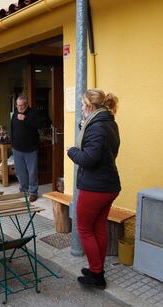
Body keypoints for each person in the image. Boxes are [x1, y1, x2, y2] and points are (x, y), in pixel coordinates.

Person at [67, 89, 121, 289]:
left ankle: (97, 274)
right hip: (108, 186)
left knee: (84, 229)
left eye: (82, 105)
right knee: (98, 227)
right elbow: (107, 151)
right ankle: (96, 268)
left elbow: (89, 159)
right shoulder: (108, 123)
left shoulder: (96, 128)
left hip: (95, 187)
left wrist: (72, 151)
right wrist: (84, 128)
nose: (81, 108)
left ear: (90, 106)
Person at [11, 95, 49, 202]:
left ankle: (33, 192)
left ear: (26, 104)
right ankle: (23, 190)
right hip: (17, 148)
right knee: (20, 172)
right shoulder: (15, 113)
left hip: (30, 149)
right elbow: (13, 128)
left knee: (32, 172)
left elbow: (40, 125)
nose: (19, 108)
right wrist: (12, 144)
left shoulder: (33, 113)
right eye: (17, 105)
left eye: (21, 106)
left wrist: (26, 119)